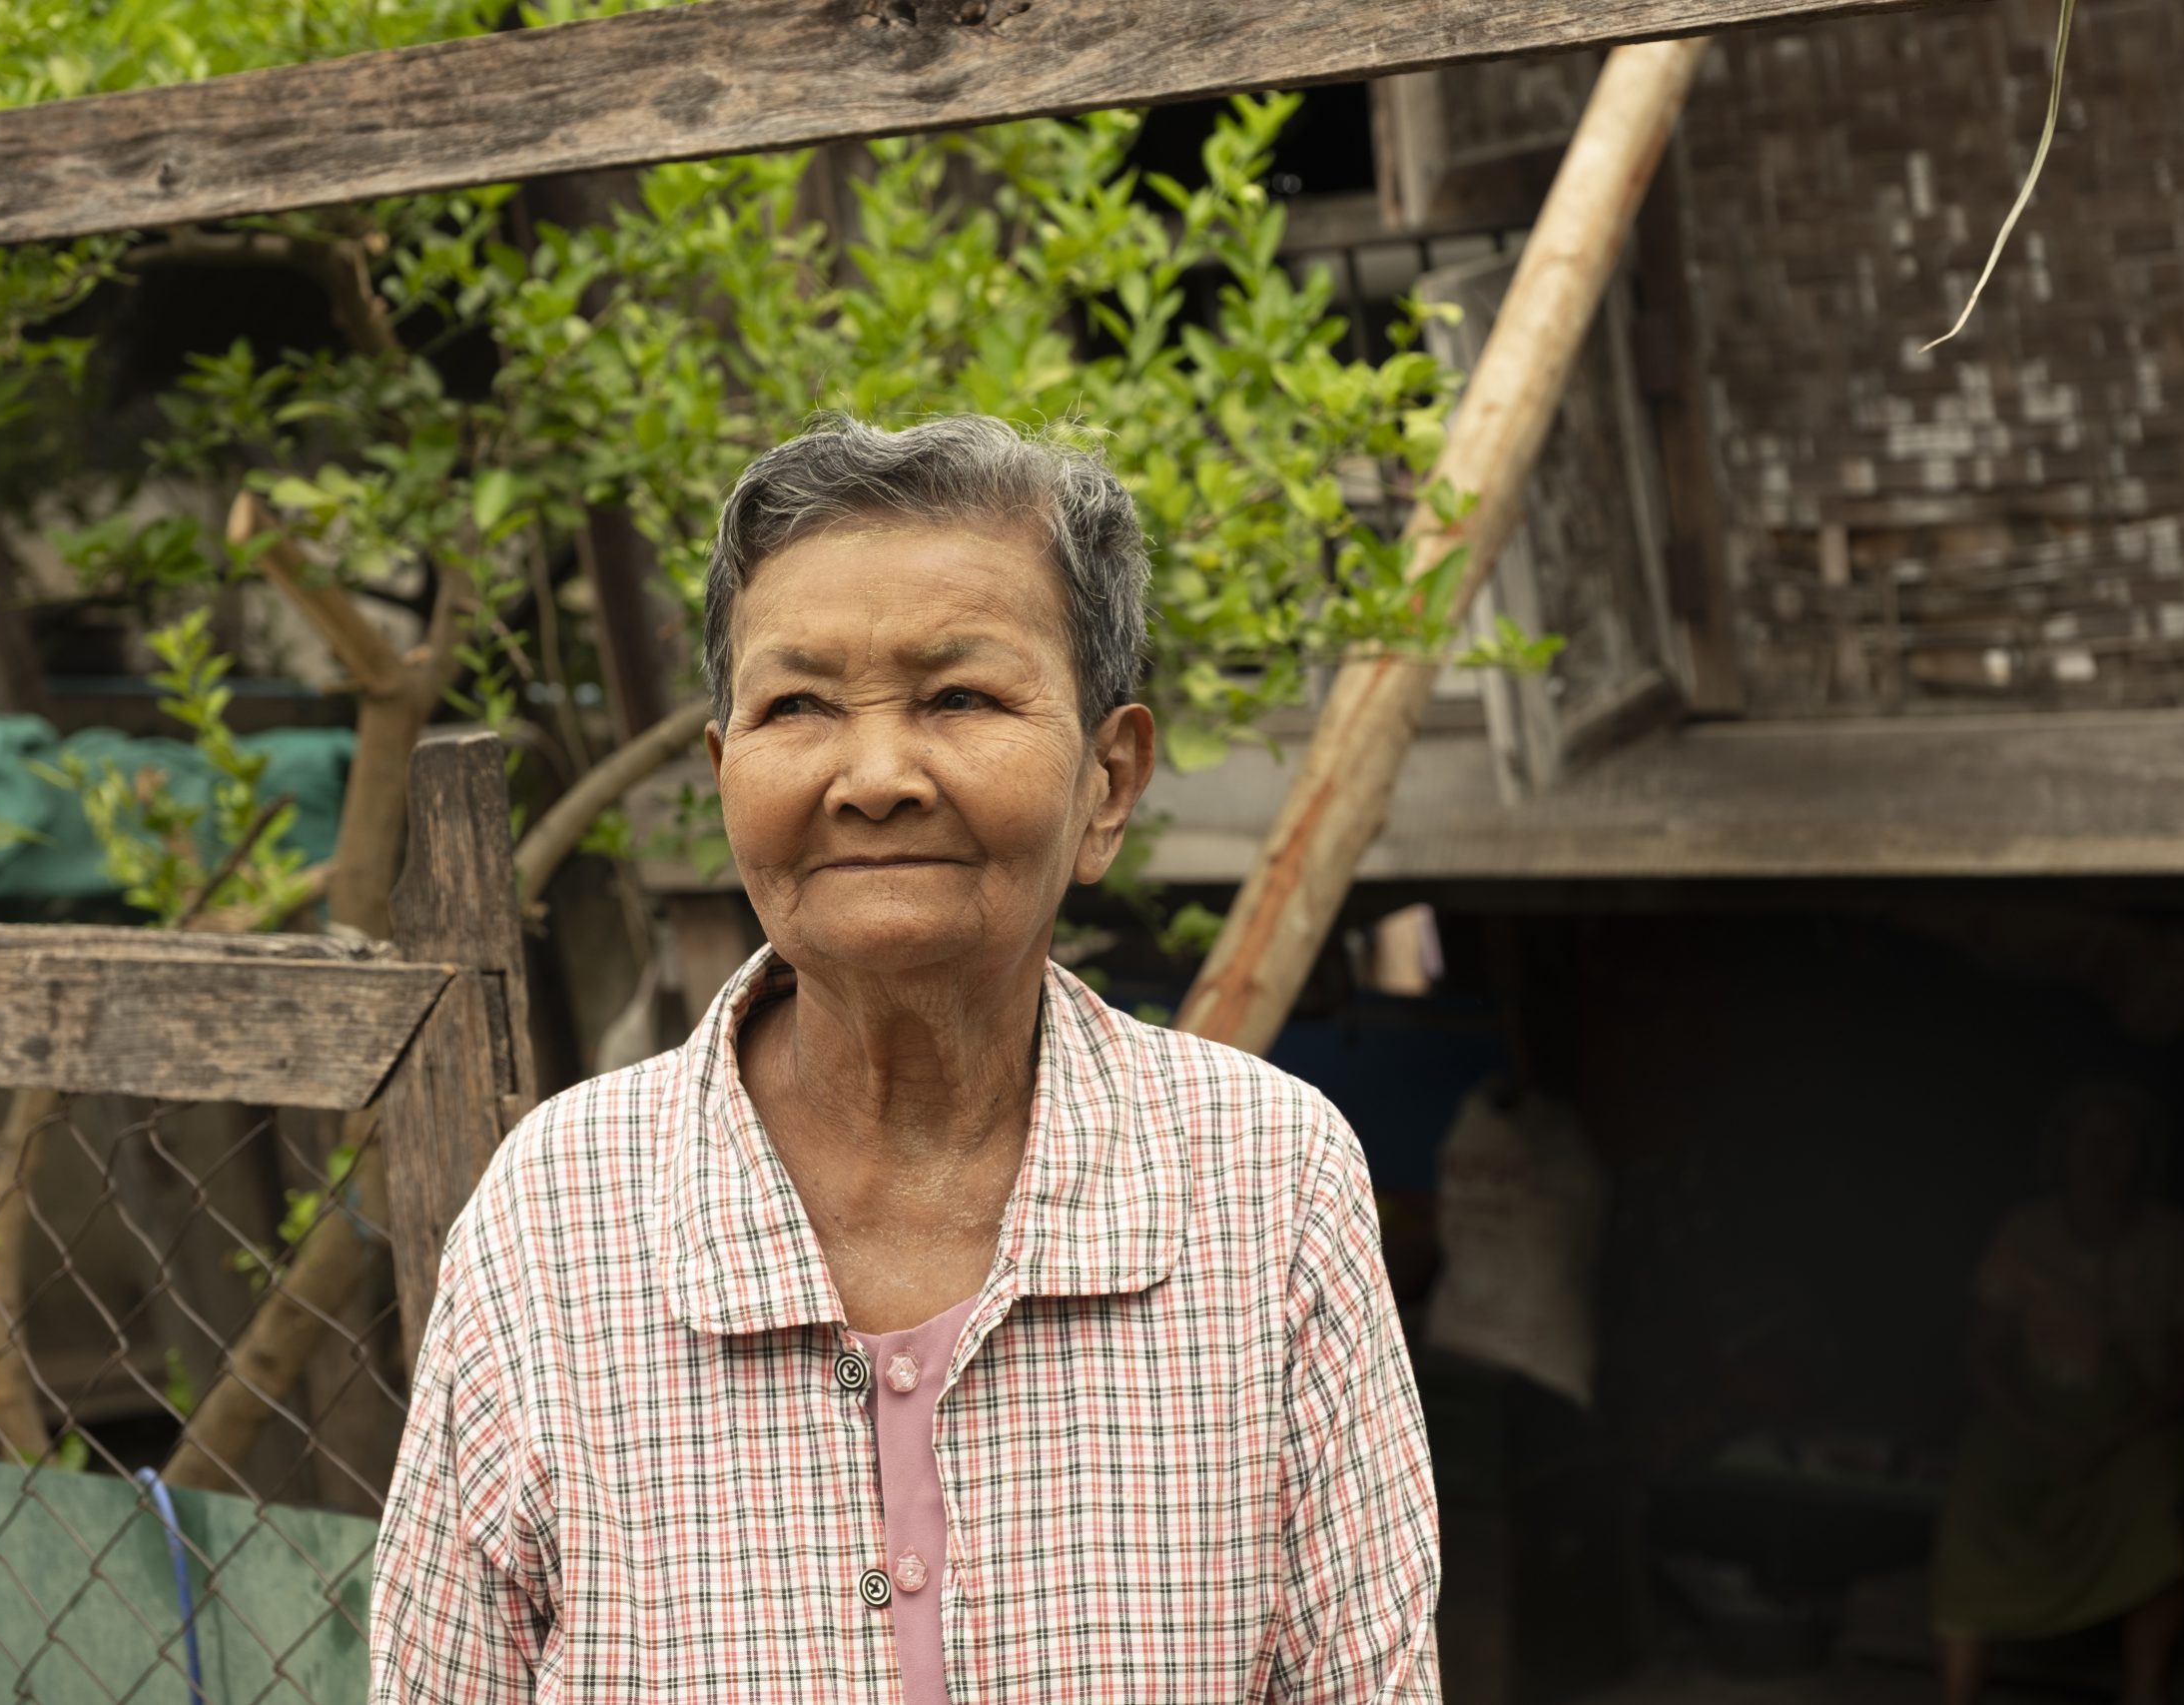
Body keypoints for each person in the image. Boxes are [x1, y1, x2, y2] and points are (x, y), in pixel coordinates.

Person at [367, 415, 1440, 1701]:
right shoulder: (559, 1210)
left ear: (1107, 781)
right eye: (797, 706)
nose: (874, 777)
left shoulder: (1268, 1181)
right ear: (724, 772)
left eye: (959, 698)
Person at [1933, 1082, 2184, 1705]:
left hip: (2137, 1421)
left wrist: (2122, 1430)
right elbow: (1981, 1354)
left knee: (2160, 1501)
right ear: (2061, 1148)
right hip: (2032, 1415)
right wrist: (2034, 1429)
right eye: (2085, 1137)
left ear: (2141, 1154)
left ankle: (2143, 1690)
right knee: (1974, 1495)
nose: (2099, 1153)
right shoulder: (2024, 1231)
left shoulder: (2172, 1237)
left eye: (2117, 1139)